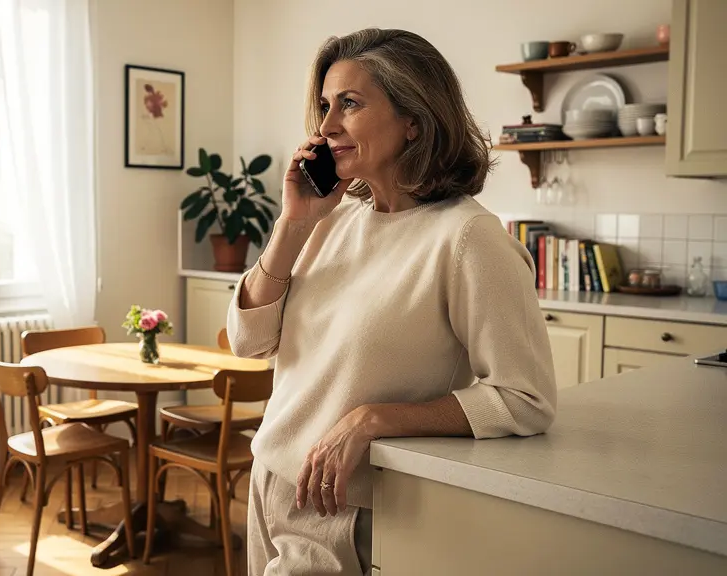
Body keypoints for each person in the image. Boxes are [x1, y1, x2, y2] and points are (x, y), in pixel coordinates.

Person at [227, 28, 557, 576]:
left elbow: (525, 399)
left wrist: (374, 418)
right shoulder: (329, 221)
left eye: (350, 104)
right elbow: (249, 343)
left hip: (342, 508)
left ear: (414, 121)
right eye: (326, 106)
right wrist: (292, 223)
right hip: (268, 481)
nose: (327, 127)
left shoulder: (467, 238)